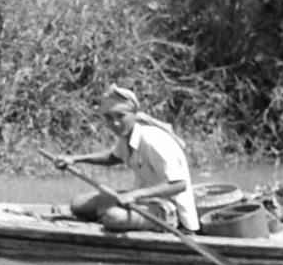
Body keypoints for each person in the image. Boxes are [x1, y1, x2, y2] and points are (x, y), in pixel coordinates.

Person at [54, 84, 199, 232]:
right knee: (77, 204)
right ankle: (114, 215)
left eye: (121, 116)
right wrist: (75, 159)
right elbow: (112, 157)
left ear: (134, 114)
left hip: (168, 209)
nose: (115, 123)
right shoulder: (127, 136)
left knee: (113, 217)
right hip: (143, 200)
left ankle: (118, 219)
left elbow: (179, 184)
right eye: (109, 117)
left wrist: (135, 194)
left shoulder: (153, 141)